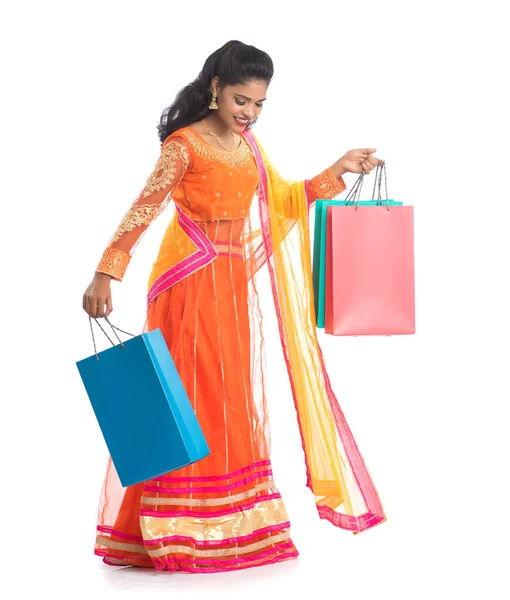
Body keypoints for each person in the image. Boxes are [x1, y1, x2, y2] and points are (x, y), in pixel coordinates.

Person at [82, 40, 386, 574]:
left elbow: (281, 203)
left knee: (228, 395)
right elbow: (144, 208)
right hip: (189, 283)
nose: (249, 113)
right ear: (216, 87)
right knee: (191, 396)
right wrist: (107, 271)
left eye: (260, 104)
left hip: (231, 285)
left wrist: (337, 169)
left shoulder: (249, 146)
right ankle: (178, 527)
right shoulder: (184, 144)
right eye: (241, 100)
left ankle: (228, 521)